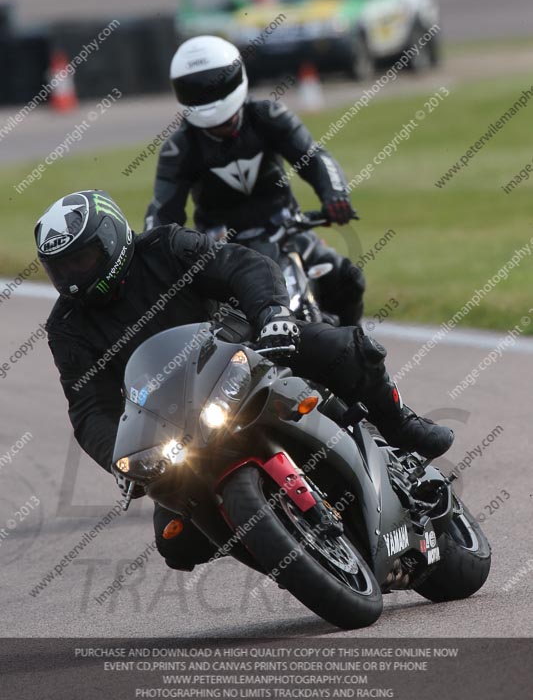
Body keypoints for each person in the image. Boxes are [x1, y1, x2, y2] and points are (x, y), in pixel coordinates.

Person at [37, 190, 453, 572]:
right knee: (177, 544)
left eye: (83, 259)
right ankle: (290, 554)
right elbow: (89, 406)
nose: (74, 275)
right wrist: (121, 459)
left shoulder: (165, 246)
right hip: (177, 423)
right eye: (62, 267)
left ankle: (402, 425)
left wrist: (272, 314)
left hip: (249, 352)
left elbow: (243, 266)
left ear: (111, 240)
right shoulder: (67, 327)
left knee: (349, 349)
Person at [144, 35, 366, 325]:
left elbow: (314, 158)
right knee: (197, 319)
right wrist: (155, 253)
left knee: (347, 277)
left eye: (214, 86)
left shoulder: (269, 116)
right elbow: (163, 211)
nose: (208, 98)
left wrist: (335, 194)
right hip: (220, 250)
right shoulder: (179, 147)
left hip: (287, 231)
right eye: (196, 89)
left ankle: (357, 349)